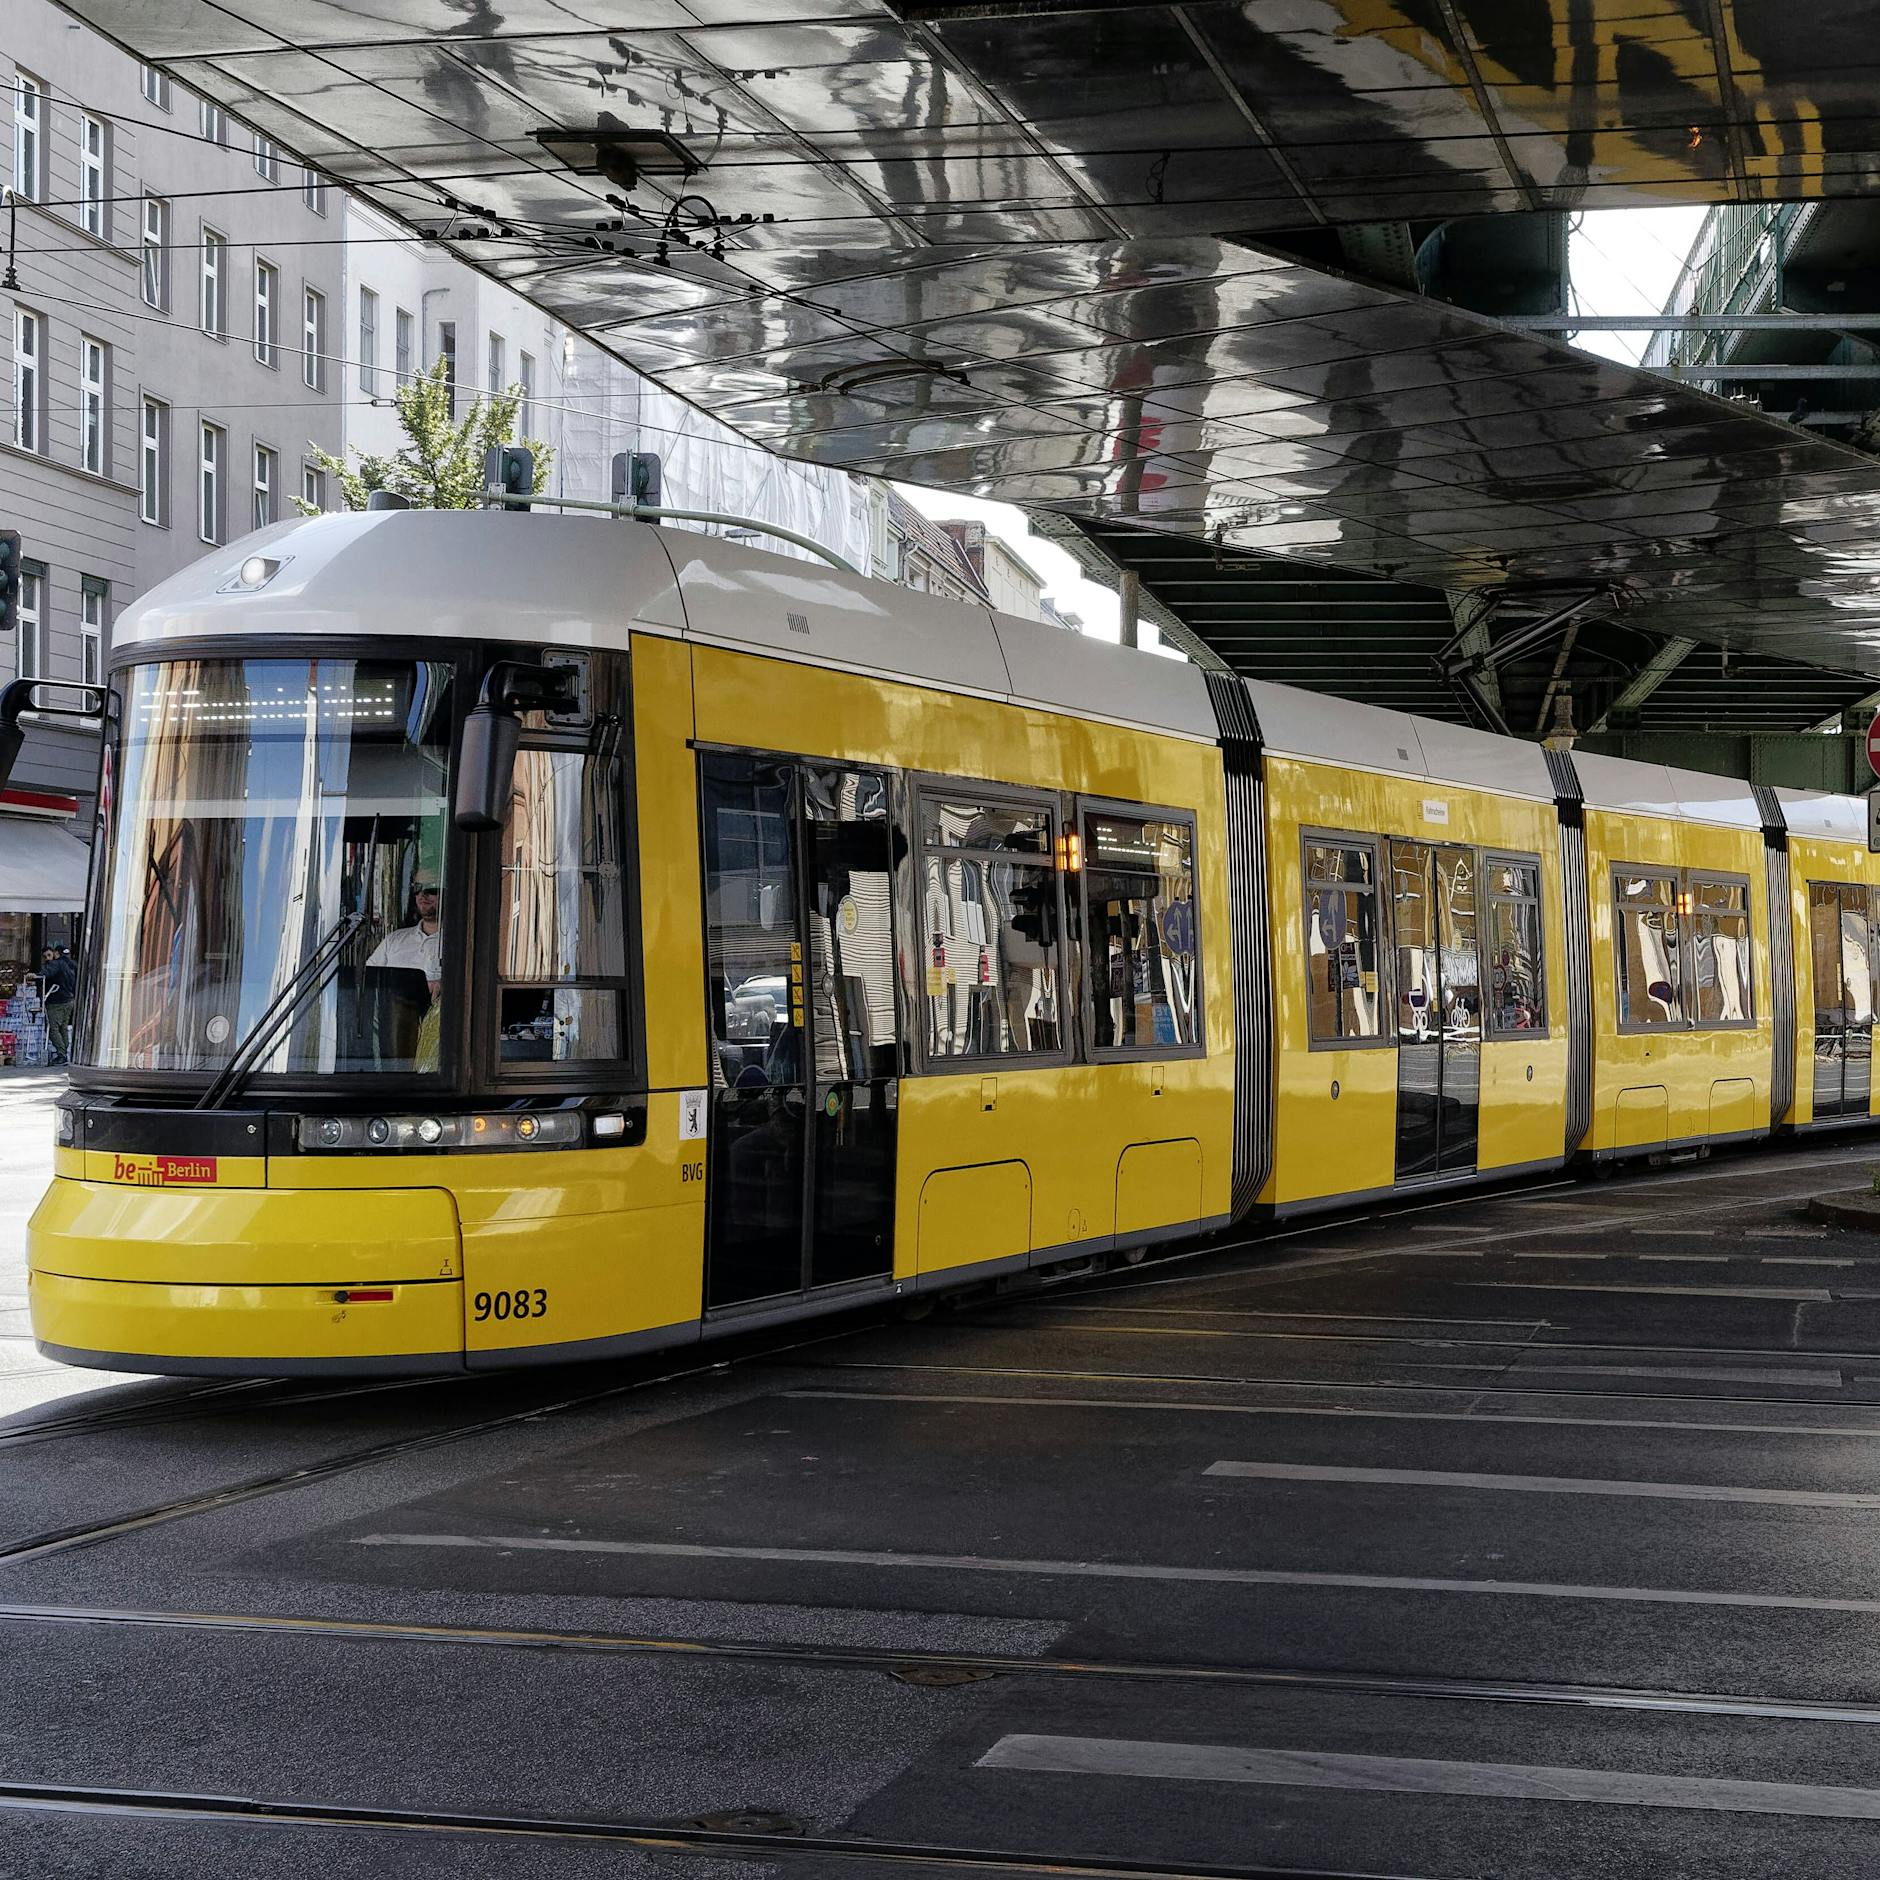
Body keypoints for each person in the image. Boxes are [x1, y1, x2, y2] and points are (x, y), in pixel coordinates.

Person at [367, 880, 442, 1000]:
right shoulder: (393, 940)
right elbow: (367, 983)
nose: (422, 895)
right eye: (418, 888)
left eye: (431, 889)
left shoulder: (463, 943)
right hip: (393, 1017)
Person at [41, 945, 77, 1066]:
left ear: (56, 953)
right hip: (69, 1000)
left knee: (53, 1028)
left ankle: (62, 1054)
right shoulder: (72, 965)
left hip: (57, 1001)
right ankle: (65, 1052)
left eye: (49, 955)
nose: (47, 959)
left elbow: (46, 973)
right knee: (63, 1027)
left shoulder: (56, 964)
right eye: (45, 956)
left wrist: (37, 976)